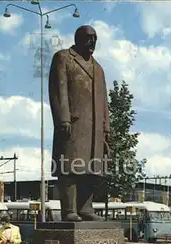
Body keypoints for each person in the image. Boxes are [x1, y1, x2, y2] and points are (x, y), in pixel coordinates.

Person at [48, 25, 111, 221]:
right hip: (73, 123)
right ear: (77, 38)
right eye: (88, 37)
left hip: (95, 130)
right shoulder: (64, 58)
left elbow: (104, 101)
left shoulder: (98, 68)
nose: (92, 41)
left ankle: (86, 209)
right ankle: (69, 210)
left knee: (91, 169)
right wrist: (63, 118)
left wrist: (106, 128)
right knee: (70, 167)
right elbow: (59, 90)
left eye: (95, 38)